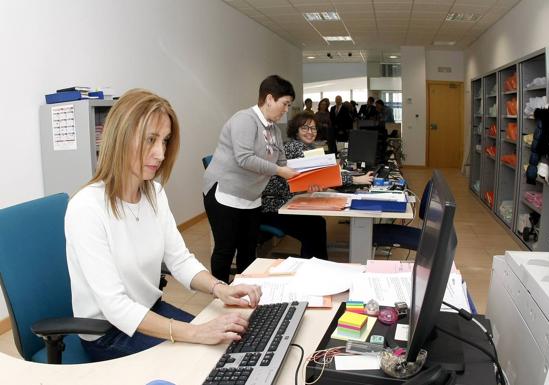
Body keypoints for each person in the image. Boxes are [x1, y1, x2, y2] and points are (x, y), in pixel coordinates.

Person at [65, 89, 262, 362]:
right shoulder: (86, 207)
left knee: (228, 347)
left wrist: (220, 288)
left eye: (165, 141)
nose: (160, 153)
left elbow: (179, 260)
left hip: (150, 312)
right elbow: (116, 306)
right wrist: (196, 333)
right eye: (150, 139)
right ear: (121, 138)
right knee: (207, 358)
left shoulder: (154, 193)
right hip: (109, 333)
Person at [203, 75, 299, 282]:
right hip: (225, 194)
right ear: (270, 98)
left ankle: (246, 291)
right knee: (225, 249)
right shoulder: (244, 119)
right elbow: (245, 159)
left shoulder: (274, 130)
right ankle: (220, 294)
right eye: (285, 104)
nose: (286, 110)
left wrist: (305, 178)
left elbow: (283, 162)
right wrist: (280, 171)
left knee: (248, 250)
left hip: (251, 197)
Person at [261, 113, 373, 258]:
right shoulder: (294, 148)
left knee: (316, 224)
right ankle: (313, 268)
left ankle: (315, 264)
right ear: (296, 130)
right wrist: (357, 180)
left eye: (313, 129)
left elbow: (320, 176)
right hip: (274, 207)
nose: (310, 132)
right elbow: (327, 175)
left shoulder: (306, 147)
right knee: (314, 227)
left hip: (285, 203)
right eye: (305, 128)